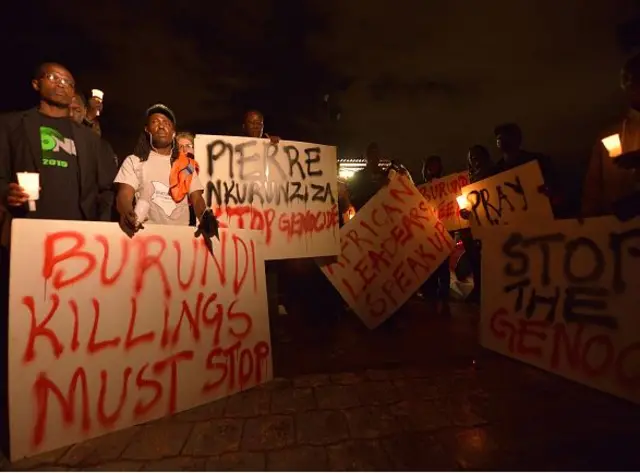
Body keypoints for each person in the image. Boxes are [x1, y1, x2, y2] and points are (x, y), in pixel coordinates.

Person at [0, 62, 116, 223]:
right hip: (26, 225)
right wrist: (6, 193)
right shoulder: (11, 125)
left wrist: (100, 227)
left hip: (77, 231)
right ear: (36, 84)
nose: (61, 84)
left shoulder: (89, 139)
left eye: (68, 82)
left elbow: (105, 190)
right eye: (53, 77)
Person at [114, 104, 216, 238]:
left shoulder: (186, 165)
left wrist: (205, 216)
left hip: (181, 239)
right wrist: (126, 212)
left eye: (166, 123)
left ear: (173, 132)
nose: (161, 126)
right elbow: (124, 195)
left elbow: (196, 199)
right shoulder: (134, 161)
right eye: (155, 122)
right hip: (145, 237)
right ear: (147, 130)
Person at [582, 51, 640, 217]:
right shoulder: (610, 135)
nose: (633, 87)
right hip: (618, 230)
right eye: (629, 81)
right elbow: (593, 188)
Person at [459, 145, 495, 303]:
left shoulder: (496, 174)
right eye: (471, 158)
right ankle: (479, 288)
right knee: (475, 261)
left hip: (491, 226)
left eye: (477, 156)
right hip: (472, 227)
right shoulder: (466, 180)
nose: (475, 161)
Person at [419, 155, 451, 314]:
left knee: (443, 266)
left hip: (443, 232)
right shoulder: (421, 188)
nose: (433, 169)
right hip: (426, 234)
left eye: (435, 165)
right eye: (430, 166)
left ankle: (444, 296)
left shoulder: (447, 185)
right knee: (429, 265)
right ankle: (429, 294)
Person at [347, 142, 388, 211]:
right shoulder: (358, 176)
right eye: (372, 154)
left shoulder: (385, 175)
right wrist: (375, 187)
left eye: (377, 154)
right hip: (366, 216)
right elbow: (353, 198)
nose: (374, 157)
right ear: (367, 157)